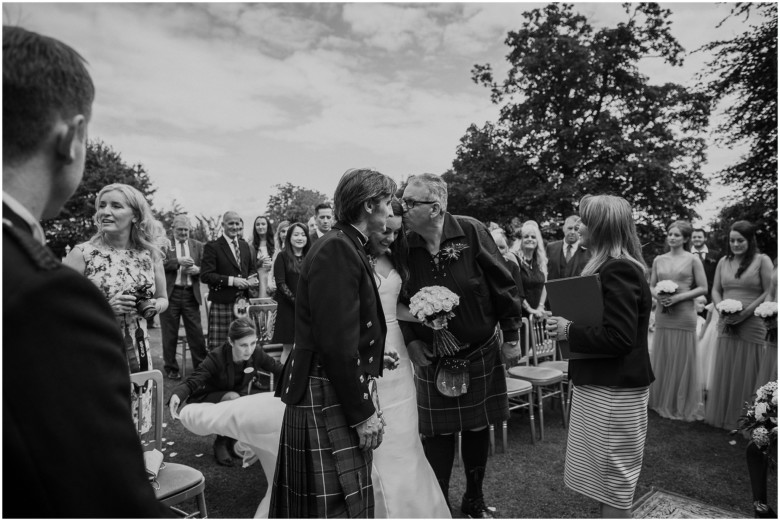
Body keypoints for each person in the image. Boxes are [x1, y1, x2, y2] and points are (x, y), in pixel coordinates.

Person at [3, 25, 169, 516]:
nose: (104, 210)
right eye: (101, 202)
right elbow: (100, 490)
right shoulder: (50, 287)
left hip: (135, 342)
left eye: (116, 205)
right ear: (72, 137)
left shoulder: (145, 254)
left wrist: (147, 306)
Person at [270, 168, 396, 518]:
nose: (389, 211)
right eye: (386, 203)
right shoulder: (338, 248)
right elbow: (335, 343)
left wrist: (373, 353)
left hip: (326, 381)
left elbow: (337, 328)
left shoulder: (344, 243)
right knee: (334, 505)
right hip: (324, 387)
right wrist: (362, 415)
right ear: (369, 205)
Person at [399, 173, 522, 518]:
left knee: (477, 425)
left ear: (435, 207)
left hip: (479, 349)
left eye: (410, 202)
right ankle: (439, 505)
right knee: (435, 432)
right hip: (432, 356)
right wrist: (411, 342)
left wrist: (511, 337)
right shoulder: (405, 244)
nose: (402, 207)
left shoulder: (470, 230)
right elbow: (399, 299)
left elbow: (503, 284)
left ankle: (474, 499)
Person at [546, 194, 654, 518]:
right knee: (604, 480)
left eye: (584, 219)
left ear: (602, 227)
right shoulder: (606, 266)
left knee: (614, 482)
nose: (578, 225)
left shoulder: (619, 269)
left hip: (614, 392)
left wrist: (568, 331)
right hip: (602, 388)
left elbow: (619, 338)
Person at [368, 198, 451, 518]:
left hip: (398, 349)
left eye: (395, 233)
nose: (389, 238)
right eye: (385, 231)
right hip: (372, 345)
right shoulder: (356, 260)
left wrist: (427, 315)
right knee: (380, 420)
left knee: (404, 426)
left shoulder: (394, 258)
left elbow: (396, 308)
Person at [64, 183, 168, 371]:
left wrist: (153, 306)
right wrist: (106, 308)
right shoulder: (82, 254)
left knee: (138, 398)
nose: (105, 211)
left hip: (140, 352)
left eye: (116, 206)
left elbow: (163, 298)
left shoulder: (150, 255)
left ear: (135, 215)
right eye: (102, 206)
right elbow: (55, 306)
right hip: (94, 352)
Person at [169, 317, 282, 466]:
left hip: (237, 396)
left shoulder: (256, 353)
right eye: (243, 345)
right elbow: (194, 379)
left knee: (244, 401)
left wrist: (302, 379)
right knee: (234, 398)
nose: (249, 350)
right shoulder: (217, 357)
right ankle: (220, 443)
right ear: (231, 341)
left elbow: (278, 369)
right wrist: (178, 395)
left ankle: (233, 440)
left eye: (253, 343)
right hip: (209, 395)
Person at [705, 221, 773, 430]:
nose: (735, 244)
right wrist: (721, 311)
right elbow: (715, 289)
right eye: (732, 240)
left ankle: (747, 418)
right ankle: (724, 415)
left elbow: (768, 291)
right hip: (726, 322)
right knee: (726, 365)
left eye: (740, 240)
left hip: (752, 322)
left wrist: (744, 313)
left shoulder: (762, 260)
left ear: (750, 240)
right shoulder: (724, 261)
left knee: (748, 368)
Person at [647, 220, 707, 421]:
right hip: (664, 314)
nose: (672, 237)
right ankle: (661, 399)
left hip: (684, 314)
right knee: (664, 355)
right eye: (670, 234)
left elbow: (703, 288)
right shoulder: (659, 259)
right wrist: (659, 297)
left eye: (677, 235)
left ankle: (681, 402)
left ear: (686, 239)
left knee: (682, 358)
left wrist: (678, 297)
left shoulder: (693, 260)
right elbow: (651, 285)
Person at [200, 211, 259, 350]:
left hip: (242, 303)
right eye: (231, 223)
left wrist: (251, 279)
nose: (234, 226)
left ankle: (241, 371)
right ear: (223, 225)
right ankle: (220, 372)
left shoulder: (245, 246)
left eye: (237, 223)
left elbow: (251, 269)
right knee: (220, 347)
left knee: (243, 343)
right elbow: (206, 276)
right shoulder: (212, 247)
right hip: (222, 302)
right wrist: (232, 281)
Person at [160, 214, 208, 379]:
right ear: (173, 229)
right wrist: (178, 261)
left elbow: (207, 268)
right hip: (170, 294)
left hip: (190, 294)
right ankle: (171, 369)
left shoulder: (197, 245)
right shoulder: (165, 245)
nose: (183, 233)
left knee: (196, 333)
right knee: (169, 333)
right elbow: (158, 265)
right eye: (180, 230)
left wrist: (198, 270)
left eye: (186, 230)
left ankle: (200, 368)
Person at [270, 222, 310, 363]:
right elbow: (281, 284)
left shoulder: (311, 256)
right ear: (289, 238)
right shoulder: (282, 257)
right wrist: (297, 302)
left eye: (303, 234)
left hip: (307, 309)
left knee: (306, 347)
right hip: (288, 309)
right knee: (288, 348)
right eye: (296, 234)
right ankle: (285, 381)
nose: (300, 238)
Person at [515, 220, 548, 319]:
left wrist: (540, 307)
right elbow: (515, 289)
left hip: (539, 315)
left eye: (533, 237)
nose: (530, 239)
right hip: (521, 316)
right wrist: (530, 309)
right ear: (520, 240)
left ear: (538, 241)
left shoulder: (541, 261)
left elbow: (545, 285)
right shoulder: (515, 260)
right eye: (526, 236)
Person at [546, 215, 590, 280]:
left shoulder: (588, 250)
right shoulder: (551, 248)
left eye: (576, 229)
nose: (572, 232)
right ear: (563, 228)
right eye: (570, 228)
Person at [691, 228, 720, 307]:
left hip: (710, 296)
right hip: (690, 296)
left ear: (705, 238)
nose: (697, 239)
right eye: (694, 237)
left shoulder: (715, 255)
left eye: (699, 237)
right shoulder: (686, 254)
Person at [252, 215, 275, 298]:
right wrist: (259, 263)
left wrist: (272, 264)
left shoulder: (275, 243)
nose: (260, 226)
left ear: (267, 226)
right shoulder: (251, 245)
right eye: (257, 224)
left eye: (263, 224)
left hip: (272, 279)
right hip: (258, 281)